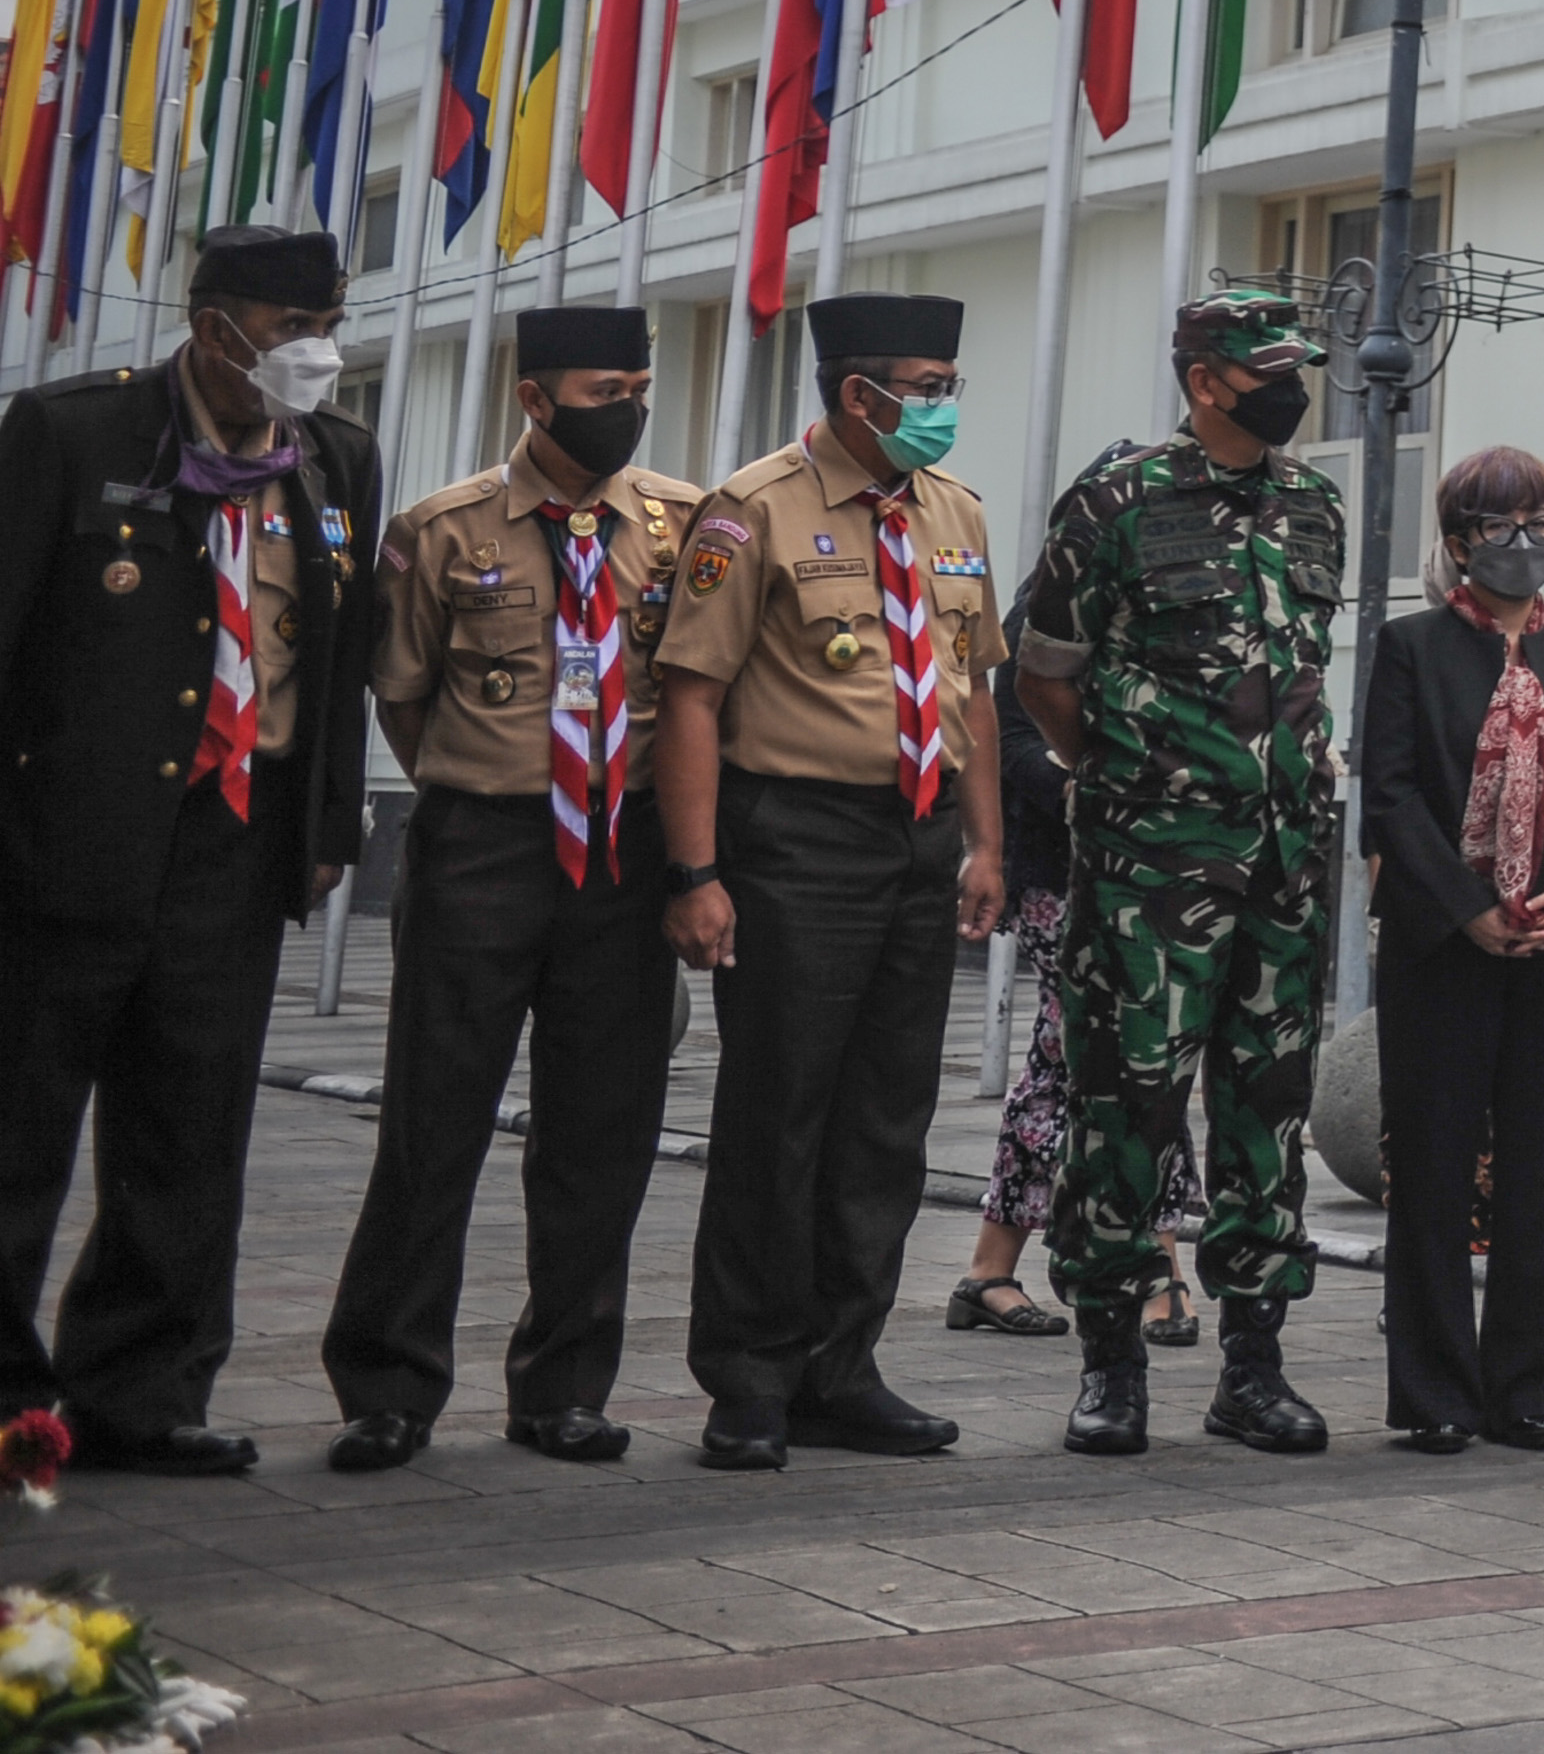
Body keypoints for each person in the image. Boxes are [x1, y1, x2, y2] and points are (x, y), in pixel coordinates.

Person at [0, 225, 381, 1474]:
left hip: (236, 838)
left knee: (187, 1132)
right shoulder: (74, 434)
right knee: (19, 1129)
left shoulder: (333, 459)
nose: (313, 356)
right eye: (289, 335)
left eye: (326, 328)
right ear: (216, 326)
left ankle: (143, 1388)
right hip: (68, 840)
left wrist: (325, 827)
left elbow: (331, 665)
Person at [319, 305, 697, 1470]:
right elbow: (401, 691)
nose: (626, 407)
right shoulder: (442, 528)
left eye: (639, 383)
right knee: (433, 1120)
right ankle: (389, 1387)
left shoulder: (681, 527)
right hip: (484, 842)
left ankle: (563, 1387)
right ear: (534, 398)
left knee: (602, 1130)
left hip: (625, 858)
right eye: (600, 389)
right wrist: (494, 771)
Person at [655, 291, 1005, 1470]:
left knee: (885, 1122)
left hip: (915, 843)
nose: (946, 404)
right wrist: (697, 871)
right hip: (794, 839)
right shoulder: (749, 512)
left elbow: (976, 694)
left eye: (954, 381)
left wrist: (986, 842)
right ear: (858, 394)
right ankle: (748, 1380)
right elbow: (691, 697)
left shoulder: (954, 510)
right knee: (778, 1115)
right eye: (928, 384)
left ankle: (840, 1369)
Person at [1019, 287, 1350, 1460]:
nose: (1291, 386)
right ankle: (1110, 1361)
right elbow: (1045, 670)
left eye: (1296, 365)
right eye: (1267, 368)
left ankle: (1252, 1369)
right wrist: (1123, 777)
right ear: (1204, 378)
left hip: (1286, 865)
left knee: (1268, 1107)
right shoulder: (1114, 503)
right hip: (1148, 867)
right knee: (1127, 1102)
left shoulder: (1316, 505)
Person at [1362, 446, 1544, 1454]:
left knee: (1540, 1166)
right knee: (1434, 1168)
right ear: (1456, 542)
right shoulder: (1410, 646)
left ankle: (1529, 1384)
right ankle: (1434, 1390)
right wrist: (1464, 903)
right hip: (1443, 944)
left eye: (1542, 523)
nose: (1524, 545)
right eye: (1499, 527)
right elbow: (1388, 791)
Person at [949, 608, 1207, 1348]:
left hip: (1164, 870)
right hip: (1061, 873)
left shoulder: (1178, 593)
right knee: (1114, 1052)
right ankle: (1157, 1265)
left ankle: (990, 1269)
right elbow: (1010, 738)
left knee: (1091, 1059)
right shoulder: (1054, 596)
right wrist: (1092, 779)